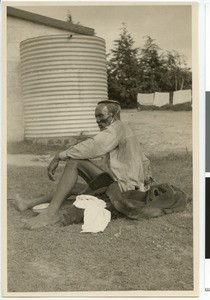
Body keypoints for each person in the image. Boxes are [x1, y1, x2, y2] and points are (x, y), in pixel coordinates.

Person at [15, 100, 152, 229]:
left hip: (122, 188)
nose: (97, 120)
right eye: (95, 116)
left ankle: (49, 214)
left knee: (74, 161)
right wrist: (144, 184)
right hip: (127, 185)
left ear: (114, 115)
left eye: (101, 116)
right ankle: (28, 203)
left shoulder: (118, 128)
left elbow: (94, 146)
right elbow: (144, 160)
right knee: (72, 186)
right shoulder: (125, 130)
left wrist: (59, 156)